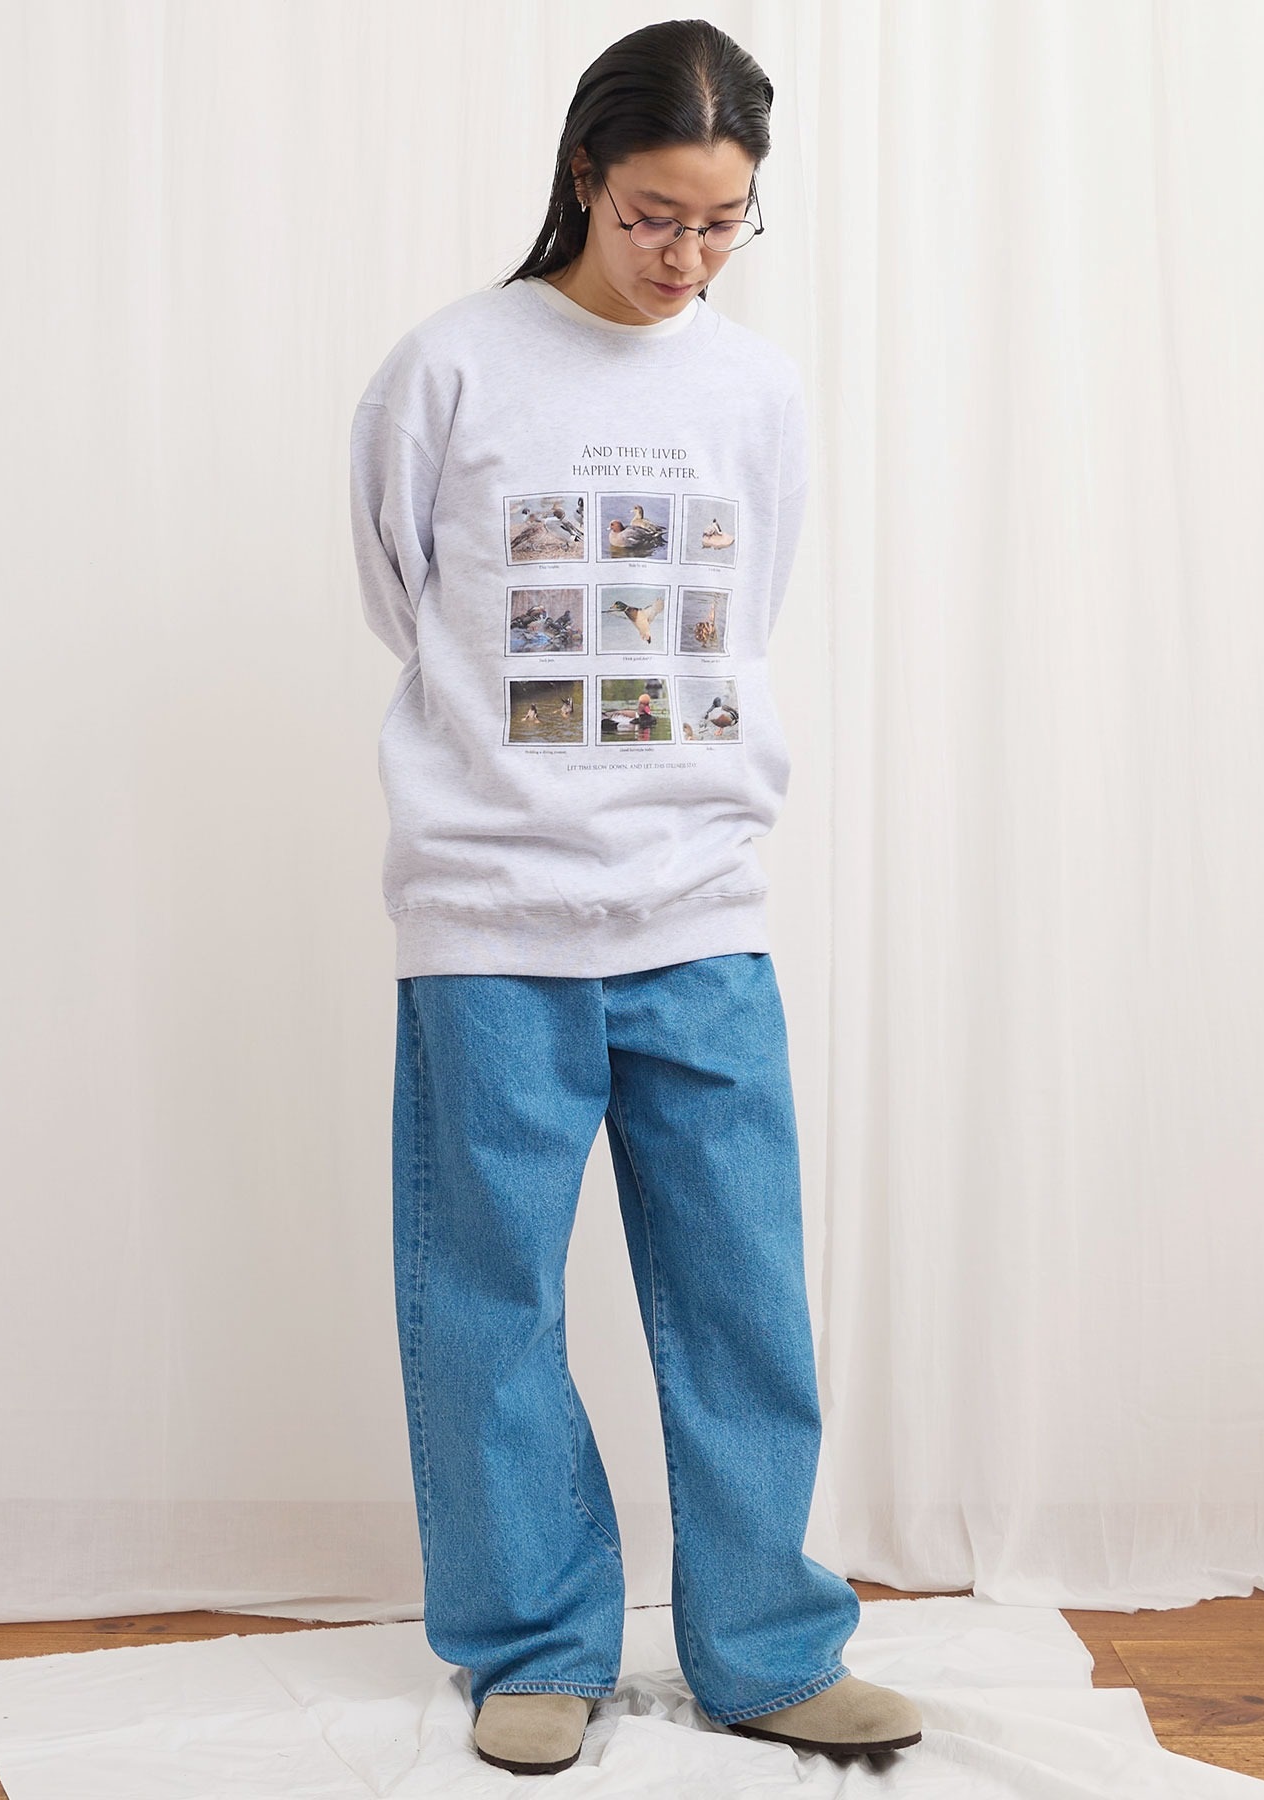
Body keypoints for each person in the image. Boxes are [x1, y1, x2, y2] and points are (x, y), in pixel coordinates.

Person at [349, 18, 922, 1778]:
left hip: (701, 904)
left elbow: (747, 619)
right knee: (489, 1302)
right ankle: (534, 1646)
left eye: (723, 222)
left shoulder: (755, 390)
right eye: (656, 216)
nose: (687, 256)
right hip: (492, 911)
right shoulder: (449, 368)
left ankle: (768, 1646)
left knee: (745, 1296)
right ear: (586, 177)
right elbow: (402, 598)